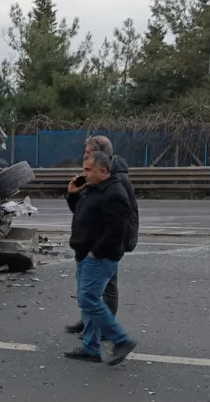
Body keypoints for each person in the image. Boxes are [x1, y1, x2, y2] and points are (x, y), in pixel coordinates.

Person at [64, 151, 138, 366]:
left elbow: (117, 230)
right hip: (86, 254)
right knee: (86, 301)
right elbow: (80, 212)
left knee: (89, 299)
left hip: (99, 257)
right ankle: (90, 347)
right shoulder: (93, 188)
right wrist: (72, 194)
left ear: (103, 171)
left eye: (88, 170)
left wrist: (94, 253)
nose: (84, 174)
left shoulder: (114, 193)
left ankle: (121, 340)